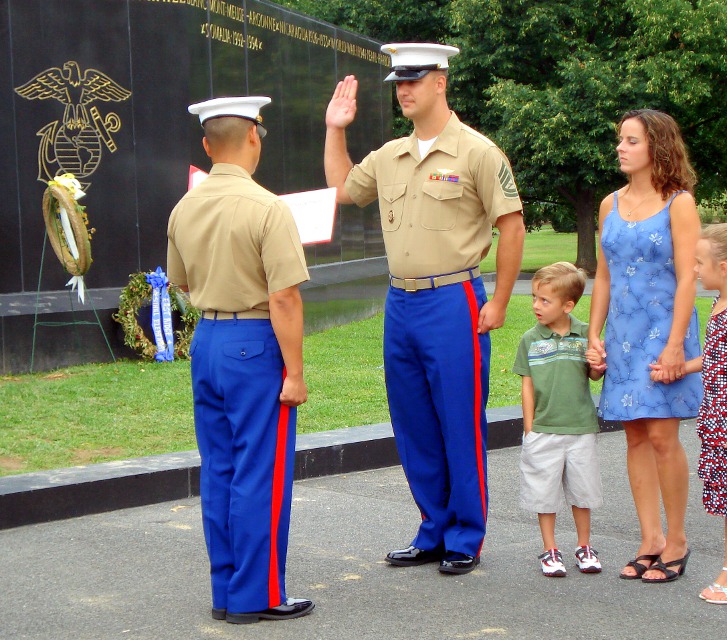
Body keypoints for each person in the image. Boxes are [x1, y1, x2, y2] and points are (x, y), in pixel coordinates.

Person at [324, 43, 525, 574]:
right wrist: (336, 128)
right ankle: (432, 527)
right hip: (401, 302)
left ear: (441, 81)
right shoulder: (390, 155)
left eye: (414, 79)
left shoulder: (478, 152)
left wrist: (501, 299)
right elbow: (342, 188)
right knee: (412, 422)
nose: (404, 89)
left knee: (459, 420)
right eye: (398, 81)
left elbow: (512, 226)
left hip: (453, 298)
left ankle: (465, 536)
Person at [167, 96, 314, 623]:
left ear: (207, 146)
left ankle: (226, 591)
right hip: (254, 343)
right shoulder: (267, 207)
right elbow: (284, 298)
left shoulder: (185, 206)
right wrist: (294, 372)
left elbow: (180, 282)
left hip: (207, 341)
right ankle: (259, 595)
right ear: (254, 136)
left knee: (221, 470)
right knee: (261, 472)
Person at [587, 109, 702, 583]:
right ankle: (649, 537)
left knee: (661, 436)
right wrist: (593, 335)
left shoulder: (679, 203)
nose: (620, 147)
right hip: (622, 336)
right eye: (620, 140)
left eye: (631, 140)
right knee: (634, 434)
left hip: (664, 333)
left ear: (656, 147)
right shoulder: (608, 204)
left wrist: (676, 345)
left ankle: (677, 540)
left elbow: (690, 277)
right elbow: (604, 276)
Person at [652, 222, 727, 604]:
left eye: (699, 263)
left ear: (723, 267)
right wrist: (679, 368)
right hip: (720, 413)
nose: (694, 270)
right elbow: (716, 357)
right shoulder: (720, 304)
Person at [512, 262, 604, 577]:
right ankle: (550, 549)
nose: (536, 306)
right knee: (544, 492)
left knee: (582, 491)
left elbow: (593, 376)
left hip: (580, 427)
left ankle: (584, 546)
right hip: (543, 429)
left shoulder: (584, 335)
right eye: (535, 298)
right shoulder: (529, 339)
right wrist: (529, 427)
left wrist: (598, 366)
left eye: (545, 301)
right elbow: (526, 384)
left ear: (568, 305)